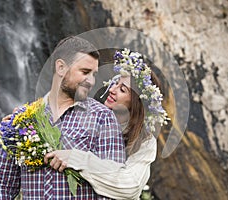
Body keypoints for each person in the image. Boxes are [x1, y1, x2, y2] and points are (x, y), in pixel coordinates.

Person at [0, 36, 126, 199]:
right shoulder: (22, 119)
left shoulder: (103, 118)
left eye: (94, 74)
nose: (91, 81)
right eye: (85, 72)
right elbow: (1, 184)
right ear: (61, 68)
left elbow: (116, 182)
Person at [44, 48, 169, 199]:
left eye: (122, 89)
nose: (112, 89)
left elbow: (130, 186)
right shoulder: (88, 113)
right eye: (115, 83)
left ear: (137, 103)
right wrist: (23, 119)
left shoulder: (144, 141)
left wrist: (77, 159)